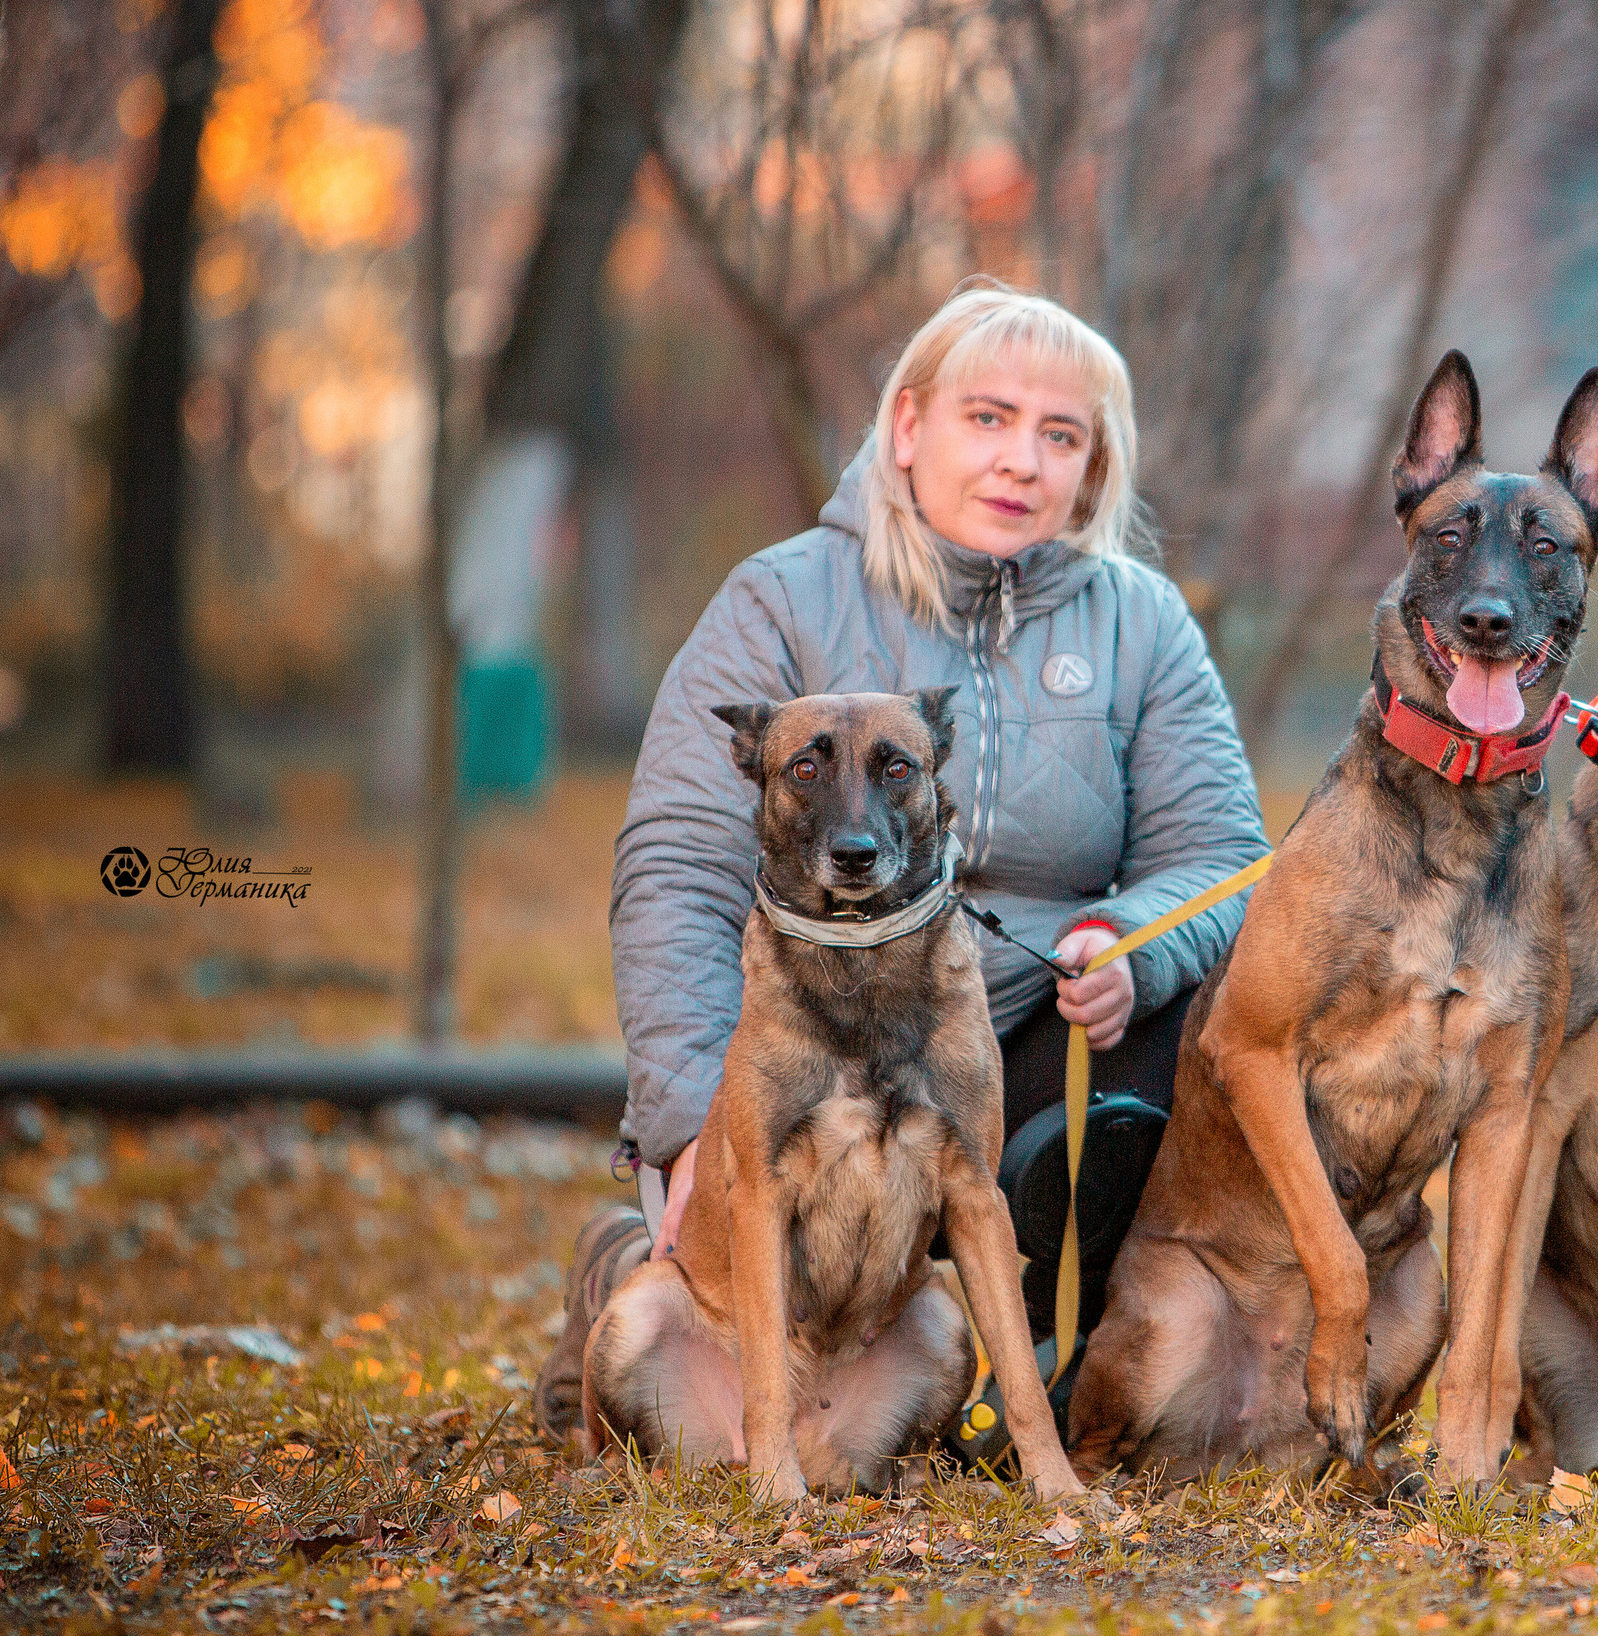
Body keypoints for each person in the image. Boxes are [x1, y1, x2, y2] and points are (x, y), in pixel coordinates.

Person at [535, 281, 1269, 1459]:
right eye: (988, 418)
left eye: (1060, 434)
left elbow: (1224, 857)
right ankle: (635, 1270)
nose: (1020, 458)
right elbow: (679, 868)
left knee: (1183, 1035)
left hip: (1021, 1028)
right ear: (909, 426)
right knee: (730, 1223)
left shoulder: (1143, 623)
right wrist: (685, 1131)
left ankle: (1064, 1356)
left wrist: (1132, 941)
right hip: (800, 1028)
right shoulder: (781, 596)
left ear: (1093, 468)